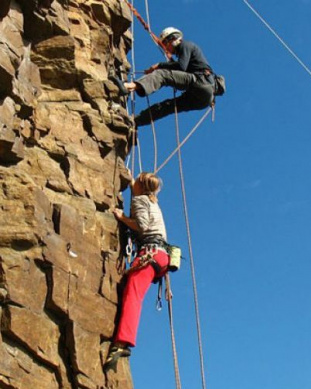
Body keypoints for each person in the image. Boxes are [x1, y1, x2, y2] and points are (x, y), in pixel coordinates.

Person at [104, 172, 170, 370]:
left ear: (141, 186)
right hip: (160, 256)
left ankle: (121, 343)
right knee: (132, 291)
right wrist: (133, 180)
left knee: (132, 294)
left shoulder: (140, 200)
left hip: (150, 253)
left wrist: (121, 217)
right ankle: (123, 340)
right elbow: (139, 186)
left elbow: (141, 226)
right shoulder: (151, 200)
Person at [111, 27, 222, 127]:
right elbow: (183, 68)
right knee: (168, 106)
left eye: (165, 44)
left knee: (162, 74)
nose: (166, 49)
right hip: (203, 98)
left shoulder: (186, 45)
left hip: (200, 82)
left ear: (172, 39)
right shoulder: (187, 53)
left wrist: (159, 66)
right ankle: (136, 121)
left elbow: (181, 66)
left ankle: (128, 87)